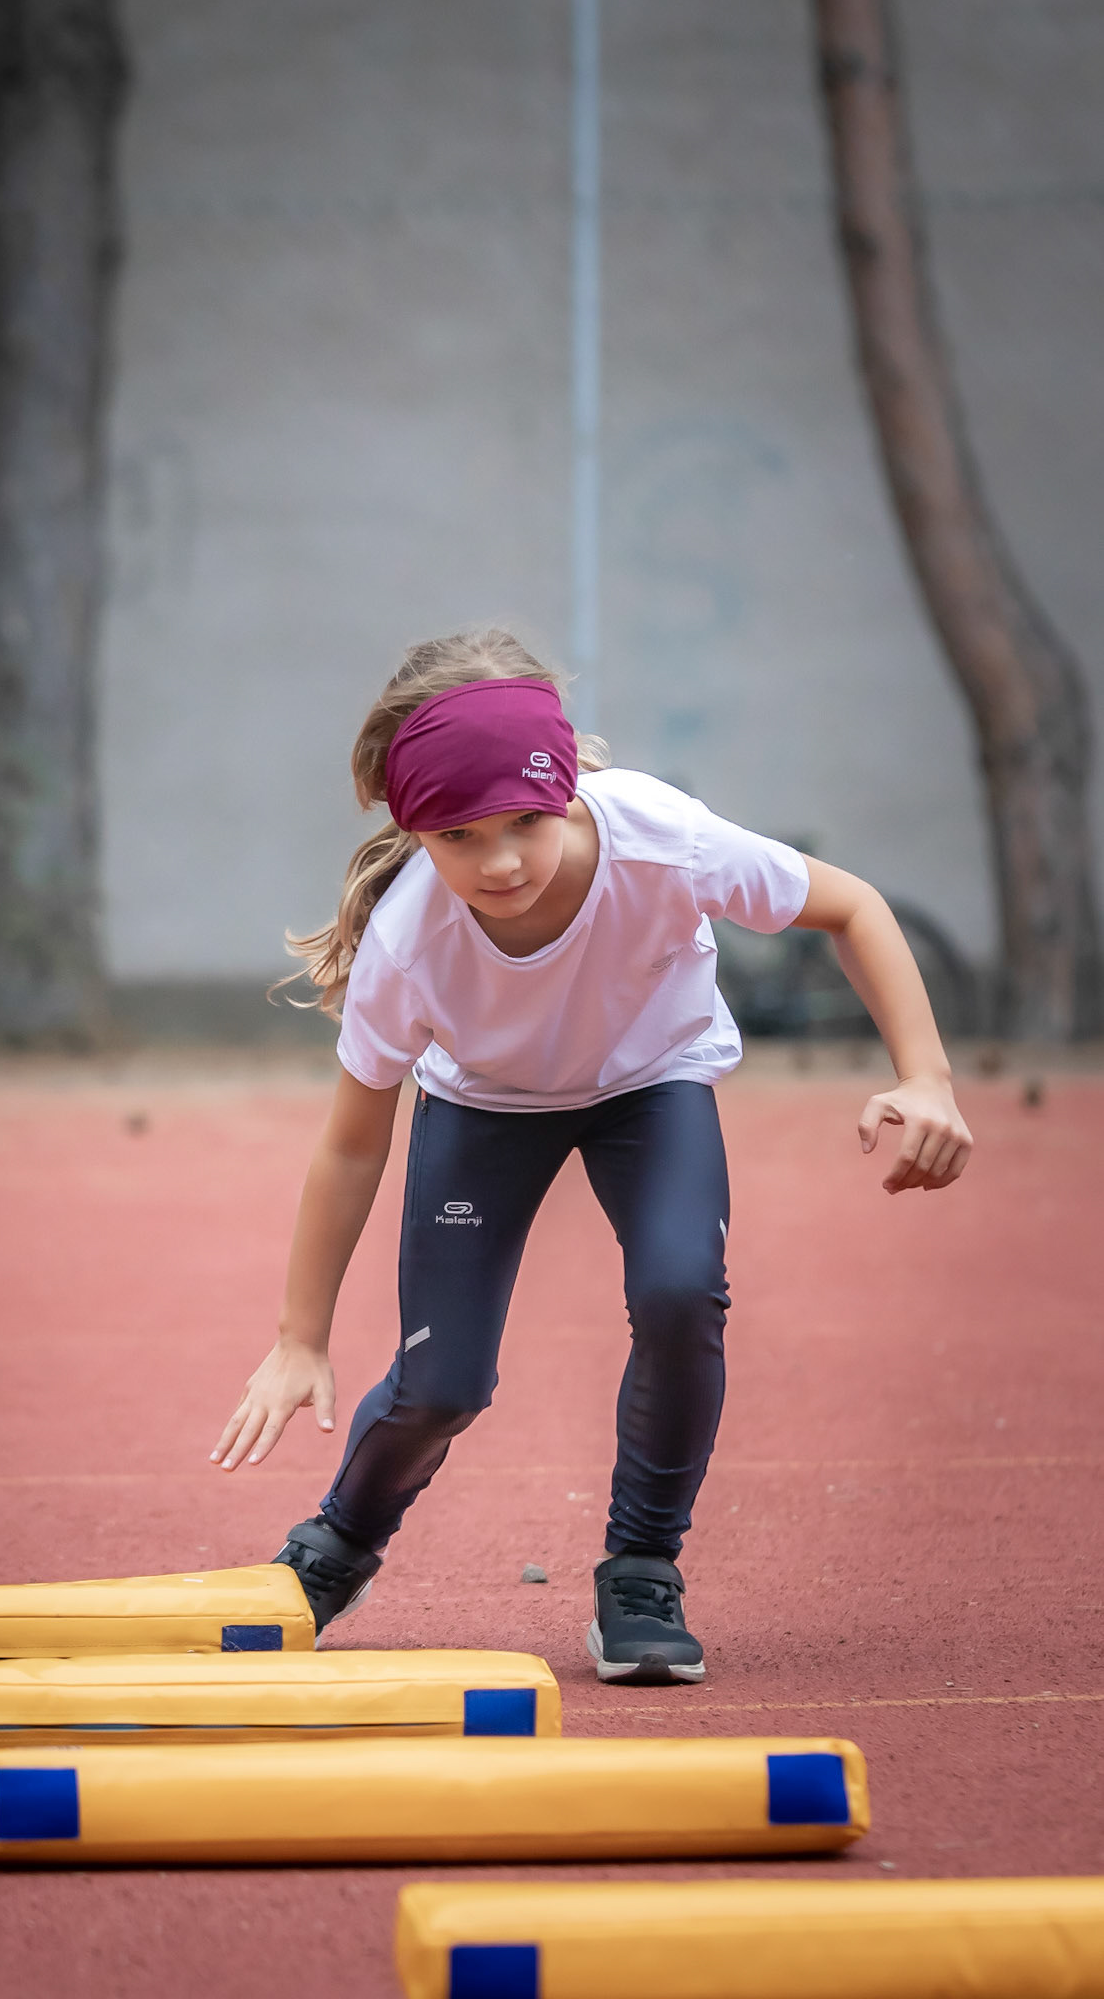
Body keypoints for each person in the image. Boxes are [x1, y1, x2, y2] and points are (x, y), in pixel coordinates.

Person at [211, 627, 973, 1683]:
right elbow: (350, 1145)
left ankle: (642, 1569)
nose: (501, 861)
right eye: (460, 836)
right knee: (442, 1384)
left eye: (525, 822)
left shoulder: (660, 837)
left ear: (566, 788)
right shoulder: (408, 939)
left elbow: (850, 905)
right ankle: (337, 1544)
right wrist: (300, 1338)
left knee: (679, 1289)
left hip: (647, 1084)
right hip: (485, 1105)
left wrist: (925, 1075)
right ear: (413, 829)